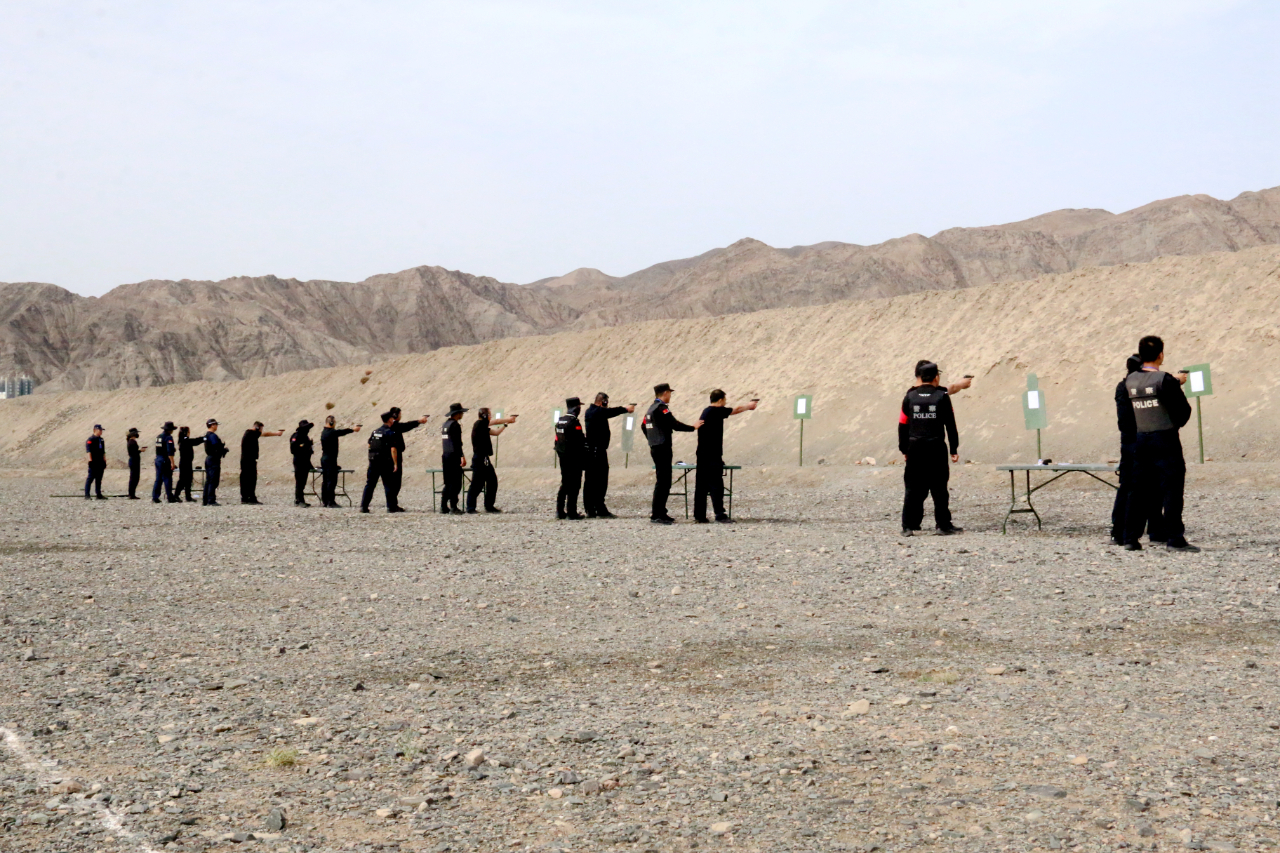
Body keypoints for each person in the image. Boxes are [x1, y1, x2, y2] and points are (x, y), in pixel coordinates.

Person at [1123, 335, 1198, 552]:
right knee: (1171, 489)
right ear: (1161, 355)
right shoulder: (1164, 380)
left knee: (1138, 490)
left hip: (1141, 439)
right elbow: (1183, 412)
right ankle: (1175, 538)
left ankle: (1131, 538)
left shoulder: (1130, 381)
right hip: (1165, 439)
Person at [898, 362, 962, 536]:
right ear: (936, 377)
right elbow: (950, 425)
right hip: (936, 447)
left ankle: (908, 526)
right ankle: (943, 525)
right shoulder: (942, 396)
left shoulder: (910, 396)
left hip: (915, 447)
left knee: (912, 487)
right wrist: (954, 449)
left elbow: (903, 425)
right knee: (939, 487)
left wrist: (904, 449)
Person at [1111, 355, 1165, 546]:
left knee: (1135, 487)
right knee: (1143, 487)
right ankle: (1132, 532)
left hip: (1132, 441)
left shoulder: (1124, 385)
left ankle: (1123, 532)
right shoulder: (1133, 387)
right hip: (1140, 439)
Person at [642, 383, 703, 524]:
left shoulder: (651, 409)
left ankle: (661, 512)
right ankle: (657, 514)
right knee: (663, 481)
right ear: (665, 393)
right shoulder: (661, 408)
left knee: (663, 480)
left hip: (655, 446)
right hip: (662, 447)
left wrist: (652, 439)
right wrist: (692, 427)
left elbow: (643, 426)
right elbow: (674, 424)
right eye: (669, 392)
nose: (670, 395)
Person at [694, 390, 757, 523]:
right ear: (720, 400)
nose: (725, 402)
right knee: (716, 485)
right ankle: (720, 514)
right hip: (712, 455)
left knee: (702, 486)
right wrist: (749, 406)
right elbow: (736, 409)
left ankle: (699, 515)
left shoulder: (706, 411)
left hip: (702, 454)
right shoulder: (715, 411)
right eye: (724, 400)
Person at [582, 393, 635, 518]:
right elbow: (609, 412)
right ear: (603, 402)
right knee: (599, 480)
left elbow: (607, 412)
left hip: (595, 450)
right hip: (596, 451)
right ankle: (597, 508)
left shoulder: (594, 412)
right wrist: (625, 409)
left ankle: (592, 508)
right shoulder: (594, 412)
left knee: (592, 480)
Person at [466, 408, 518, 513]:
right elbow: (496, 421)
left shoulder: (482, 427)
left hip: (484, 458)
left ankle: (489, 506)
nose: (490, 416)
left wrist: (506, 424)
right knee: (477, 484)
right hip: (479, 458)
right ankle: (470, 508)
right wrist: (508, 419)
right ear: (485, 416)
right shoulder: (479, 424)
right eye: (489, 414)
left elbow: (496, 432)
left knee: (492, 482)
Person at [386, 407, 429, 512]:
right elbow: (405, 426)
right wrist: (418, 421)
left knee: (392, 483)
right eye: (399, 414)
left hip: (389, 456)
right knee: (395, 482)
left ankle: (392, 505)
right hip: (394, 456)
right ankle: (392, 506)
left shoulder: (388, 426)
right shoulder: (394, 426)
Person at [555, 397, 587, 519]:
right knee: (574, 485)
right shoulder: (574, 422)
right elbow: (580, 441)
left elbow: (557, 440)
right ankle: (571, 512)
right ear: (576, 408)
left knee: (565, 483)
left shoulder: (561, 421)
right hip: (574, 458)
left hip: (563, 456)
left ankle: (560, 510)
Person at [319, 415, 362, 508]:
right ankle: (330, 501)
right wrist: (353, 429)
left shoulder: (324, 432)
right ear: (331, 423)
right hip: (330, 459)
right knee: (331, 481)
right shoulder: (331, 432)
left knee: (325, 481)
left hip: (325, 459)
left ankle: (325, 501)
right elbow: (341, 432)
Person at [360, 412, 398, 513]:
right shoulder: (390, 432)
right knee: (388, 484)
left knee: (370, 484)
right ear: (389, 420)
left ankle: (364, 506)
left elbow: (369, 445)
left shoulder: (375, 431)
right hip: (385, 462)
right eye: (392, 418)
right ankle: (391, 507)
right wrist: (395, 463)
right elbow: (393, 449)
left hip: (373, 461)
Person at [240, 422, 283, 504]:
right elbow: (265, 434)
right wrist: (277, 433)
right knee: (251, 479)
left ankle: (245, 497)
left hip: (246, 460)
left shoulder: (249, 433)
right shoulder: (252, 433)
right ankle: (250, 497)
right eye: (261, 429)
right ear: (257, 428)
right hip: (249, 460)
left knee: (245, 478)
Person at [439, 403, 468, 515]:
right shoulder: (455, 425)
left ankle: (443, 506)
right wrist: (462, 456)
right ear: (458, 413)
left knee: (448, 482)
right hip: (454, 456)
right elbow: (457, 443)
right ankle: (453, 507)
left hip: (446, 455)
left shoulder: (445, 424)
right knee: (456, 483)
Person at [289, 420, 316, 507]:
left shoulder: (305, 436)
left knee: (303, 482)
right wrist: (304, 447)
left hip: (305, 461)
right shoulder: (296, 436)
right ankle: (299, 500)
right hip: (299, 461)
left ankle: (300, 499)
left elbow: (308, 451)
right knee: (300, 482)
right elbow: (293, 450)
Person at [202, 419, 228, 506]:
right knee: (213, 480)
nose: (217, 426)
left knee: (209, 480)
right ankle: (211, 500)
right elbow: (216, 446)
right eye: (216, 424)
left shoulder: (206, 435)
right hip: (213, 459)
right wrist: (223, 450)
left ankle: (205, 499)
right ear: (212, 425)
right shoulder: (212, 436)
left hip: (209, 459)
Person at [175, 426, 204, 502]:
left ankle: (188, 496)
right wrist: (204, 438)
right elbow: (195, 441)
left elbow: (194, 441)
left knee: (188, 480)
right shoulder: (185, 440)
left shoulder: (183, 440)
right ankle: (176, 495)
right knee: (183, 480)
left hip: (186, 463)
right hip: (185, 463)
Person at [153, 421, 178, 504]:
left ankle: (155, 496)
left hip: (158, 459)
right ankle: (170, 497)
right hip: (165, 460)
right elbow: (170, 452)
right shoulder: (168, 438)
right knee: (167, 478)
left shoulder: (159, 436)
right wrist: (172, 463)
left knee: (158, 479)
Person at [84, 424, 108, 500]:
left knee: (99, 479)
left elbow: (103, 451)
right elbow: (89, 451)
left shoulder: (101, 440)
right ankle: (87, 495)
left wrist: (104, 461)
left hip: (100, 462)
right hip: (94, 462)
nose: (101, 432)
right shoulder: (91, 439)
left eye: (101, 430)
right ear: (95, 430)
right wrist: (90, 461)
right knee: (90, 479)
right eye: (99, 430)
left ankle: (98, 494)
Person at [125, 427, 142, 499]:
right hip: (134, 461)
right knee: (134, 478)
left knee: (134, 477)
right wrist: (140, 451)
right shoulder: (132, 442)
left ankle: (132, 493)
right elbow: (133, 453)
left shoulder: (131, 441)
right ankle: (131, 494)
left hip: (133, 460)